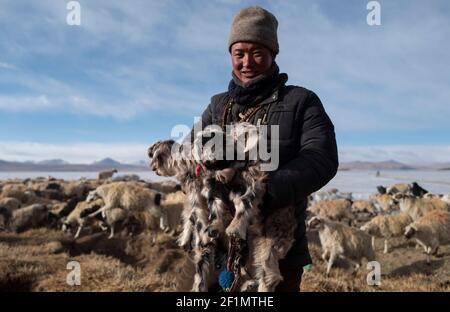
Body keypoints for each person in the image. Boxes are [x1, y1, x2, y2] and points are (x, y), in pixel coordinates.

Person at [186, 6, 338, 292]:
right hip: (220, 246)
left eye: (257, 53)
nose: (247, 62)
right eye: (239, 53)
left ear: (273, 54)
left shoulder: (300, 101)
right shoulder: (218, 105)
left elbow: (321, 158)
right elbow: (192, 150)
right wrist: (201, 180)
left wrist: (263, 192)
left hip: (276, 249)